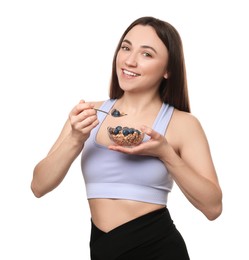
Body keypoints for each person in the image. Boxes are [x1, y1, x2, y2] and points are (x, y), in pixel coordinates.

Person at [31, 16, 223, 259]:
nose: (129, 60)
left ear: (168, 70)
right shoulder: (89, 114)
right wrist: (75, 139)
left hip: (158, 249)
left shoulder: (182, 124)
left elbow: (213, 207)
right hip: (103, 250)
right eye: (126, 47)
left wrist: (165, 154)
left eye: (147, 54)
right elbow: (38, 186)